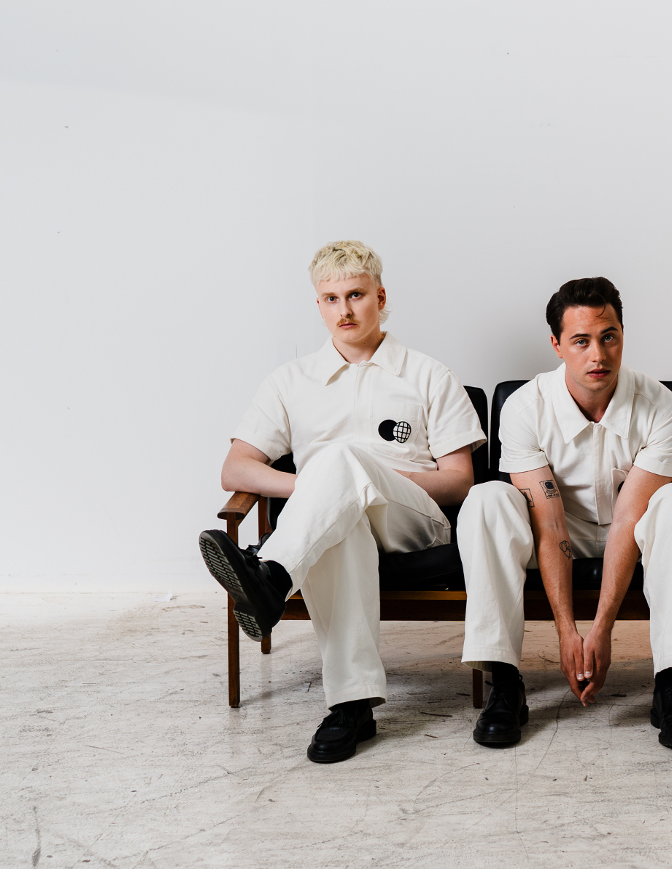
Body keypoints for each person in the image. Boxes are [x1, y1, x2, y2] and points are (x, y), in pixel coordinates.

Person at [197, 241, 485, 764]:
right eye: (331, 298)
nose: (344, 310)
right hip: (331, 524)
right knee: (340, 518)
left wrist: (363, 475)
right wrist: (323, 488)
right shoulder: (290, 381)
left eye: (356, 295)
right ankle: (352, 706)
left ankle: (272, 576)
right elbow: (235, 469)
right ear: (318, 305)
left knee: (341, 460)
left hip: (413, 519)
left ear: (380, 297)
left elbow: (460, 481)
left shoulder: (428, 374)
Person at [458, 277, 672, 751]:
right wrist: (567, 633)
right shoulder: (524, 407)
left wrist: (602, 629)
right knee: (487, 498)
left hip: (634, 531)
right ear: (557, 345)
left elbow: (630, 518)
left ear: (622, 335)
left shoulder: (662, 406)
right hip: (554, 530)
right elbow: (549, 521)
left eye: (608, 337)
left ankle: (671, 686)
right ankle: (505, 684)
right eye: (580, 341)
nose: (598, 355)